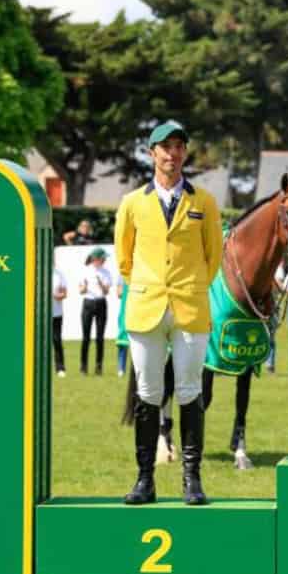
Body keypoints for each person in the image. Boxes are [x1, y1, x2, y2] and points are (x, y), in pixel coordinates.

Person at [114, 120, 223, 505]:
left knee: (191, 390)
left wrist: (191, 285)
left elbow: (214, 256)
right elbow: (124, 258)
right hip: (146, 306)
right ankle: (146, 478)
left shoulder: (204, 202)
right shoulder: (131, 203)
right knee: (147, 392)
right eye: (165, 147)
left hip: (190, 306)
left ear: (185, 153)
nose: (172, 154)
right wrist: (147, 286)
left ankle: (191, 479)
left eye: (178, 147)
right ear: (151, 153)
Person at [78, 248, 112, 376]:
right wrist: (85, 287)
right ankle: (83, 366)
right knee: (86, 337)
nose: (104, 260)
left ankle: (99, 366)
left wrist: (101, 284)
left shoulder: (106, 272)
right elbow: (80, 290)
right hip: (88, 303)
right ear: (95, 259)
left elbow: (106, 291)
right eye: (102, 258)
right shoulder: (85, 271)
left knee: (100, 337)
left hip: (101, 303)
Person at [52, 265, 68, 377]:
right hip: (40, 314)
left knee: (57, 340)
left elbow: (64, 293)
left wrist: (57, 295)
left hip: (56, 313)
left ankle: (60, 368)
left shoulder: (59, 274)